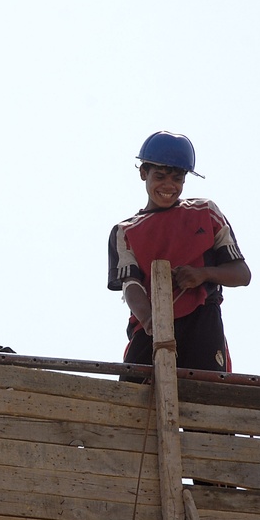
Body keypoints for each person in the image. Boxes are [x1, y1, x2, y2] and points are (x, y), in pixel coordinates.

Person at [107, 131, 250, 381]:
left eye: (177, 178)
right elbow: (131, 285)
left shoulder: (205, 212)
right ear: (143, 173)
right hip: (147, 329)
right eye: (160, 176)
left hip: (202, 322)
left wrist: (202, 274)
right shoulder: (125, 231)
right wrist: (151, 320)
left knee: (205, 403)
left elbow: (242, 274)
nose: (168, 186)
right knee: (134, 406)